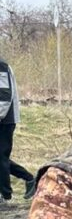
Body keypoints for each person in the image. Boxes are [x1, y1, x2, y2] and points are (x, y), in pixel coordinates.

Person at [0, 55, 36, 204]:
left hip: (5, 120)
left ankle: (5, 197)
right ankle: (29, 179)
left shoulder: (1, 66)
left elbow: (4, 96)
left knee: (0, 157)